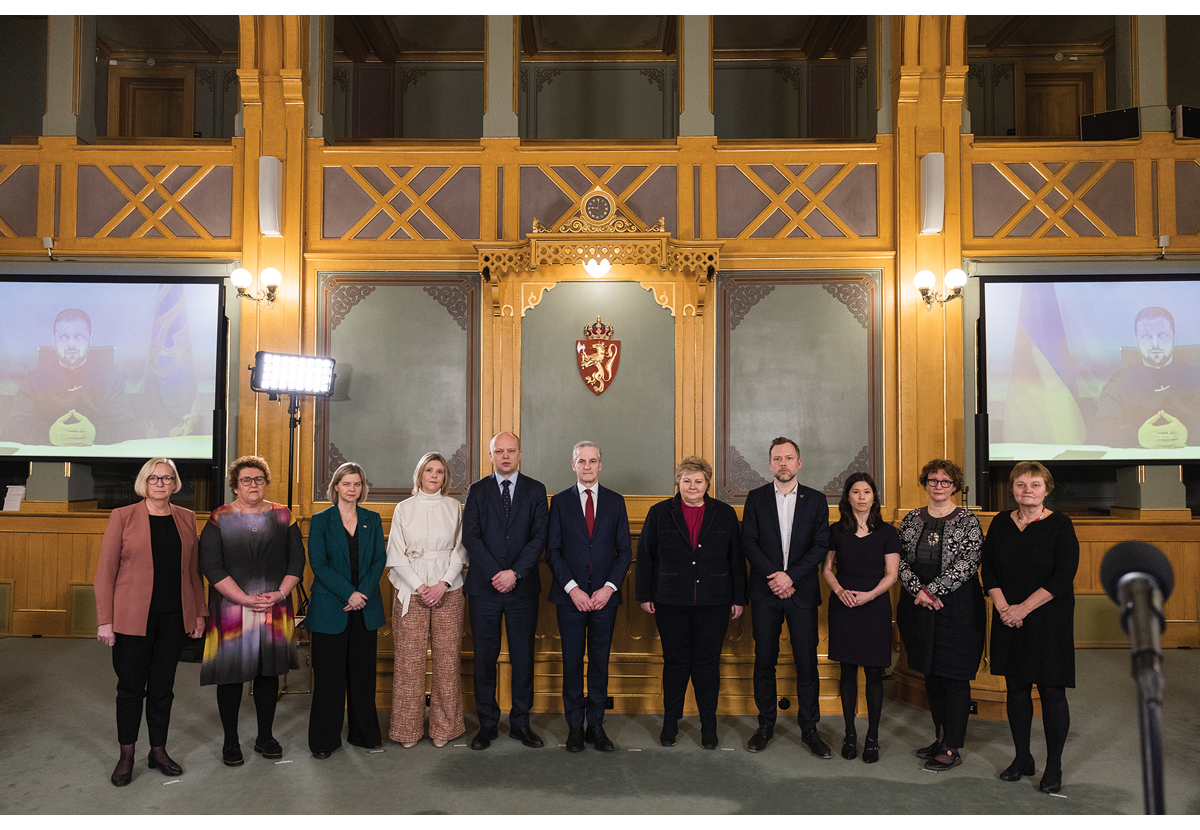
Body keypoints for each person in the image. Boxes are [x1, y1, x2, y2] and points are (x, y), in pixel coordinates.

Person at [93, 457, 207, 786]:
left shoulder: (186, 518)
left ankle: (158, 751)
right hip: (130, 621)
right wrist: (105, 620)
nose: (160, 484)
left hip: (173, 618)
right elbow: (105, 572)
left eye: (167, 478)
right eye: (154, 478)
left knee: (163, 689)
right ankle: (126, 755)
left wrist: (198, 612)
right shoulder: (123, 516)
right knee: (130, 690)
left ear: (175, 484)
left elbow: (193, 572)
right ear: (144, 482)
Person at [199, 455, 305, 766]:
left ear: (266, 482)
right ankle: (230, 742)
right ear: (235, 484)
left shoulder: (284, 516)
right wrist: (244, 599)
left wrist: (280, 594)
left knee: (268, 673)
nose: (253, 485)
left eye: (258, 479)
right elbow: (211, 566)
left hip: (274, 605)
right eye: (246, 480)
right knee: (230, 676)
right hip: (231, 608)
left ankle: (265, 736)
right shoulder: (219, 517)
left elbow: (297, 561)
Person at [982, 461, 1079, 794]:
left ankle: (1054, 766)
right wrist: (1004, 607)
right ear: (1012, 489)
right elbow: (988, 568)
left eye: (1035, 485)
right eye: (1021, 484)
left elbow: (1063, 577)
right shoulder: (999, 523)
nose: (1027, 491)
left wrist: (1022, 608)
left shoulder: (1061, 526)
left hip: (1048, 619)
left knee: (1051, 691)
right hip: (1008, 615)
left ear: (1046, 490)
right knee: (1016, 688)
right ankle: (1022, 758)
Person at [636, 456, 745, 750]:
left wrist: (738, 598)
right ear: (678, 483)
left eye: (698, 481)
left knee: (707, 666)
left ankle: (709, 726)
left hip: (715, 601)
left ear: (707, 484)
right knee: (675, 664)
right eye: (687, 481)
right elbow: (646, 556)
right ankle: (670, 724)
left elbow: (735, 558)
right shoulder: (659, 512)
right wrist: (645, 594)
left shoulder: (724, 513)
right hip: (670, 599)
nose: (692, 487)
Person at [740, 437, 831, 756]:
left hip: (802, 592)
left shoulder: (817, 500)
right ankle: (765, 724)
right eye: (777, 458)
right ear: (769, 465)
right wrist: (776, 577)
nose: (783, 463)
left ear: (799, 463)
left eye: (789, 458)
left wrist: (790, 576)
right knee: (764, 660)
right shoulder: (755, 498)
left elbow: (821, 545)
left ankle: (810, 729)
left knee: (806, 662)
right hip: (765, 593)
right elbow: (748, 542)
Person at [896, 458, 986, 772]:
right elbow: (899, 561)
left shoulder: (968, 520)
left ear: (955, 487)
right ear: (925, 483)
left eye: (945, 482)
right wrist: (917, 590)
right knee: (931, 673)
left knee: (954, 675)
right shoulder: (910, 519)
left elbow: (968, 562)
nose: (938, 486)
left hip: (958, 607)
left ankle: (952, 747)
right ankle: (940, 736)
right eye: (933, 480)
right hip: (917, 606)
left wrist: (932, 590)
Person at [462, 431, 548, 750]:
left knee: (523, 658)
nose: (506, 456)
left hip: (522, 589)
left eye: (511, 451)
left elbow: (539, 537)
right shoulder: (478, 490)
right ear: (491, 456)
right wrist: (496, 573)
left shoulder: (536, 490)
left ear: (520, 454)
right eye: (500, 451)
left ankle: (520, 723)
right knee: (485, 658)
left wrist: (515, 573)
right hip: (484, 589)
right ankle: (487, 724)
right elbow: (471, 537)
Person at [545, 441, 633, 752]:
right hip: (570, 598)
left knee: (599, 662)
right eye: (581, 461)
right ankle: (573, 728)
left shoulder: (615, 501)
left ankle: (595, 726)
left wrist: (608, 588)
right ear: (573, 465)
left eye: (593, 461)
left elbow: (624, 551)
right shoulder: (559, 502)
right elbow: (552, 551)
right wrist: (574, 589)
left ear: (600, 465)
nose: (587, 466)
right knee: (571, 663)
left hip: (604, 600)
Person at [386, 451, 468, 748]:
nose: (435, 476)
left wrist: (443, 584)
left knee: (447, 662)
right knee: (410, 663)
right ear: (419, 474)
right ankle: (407, 729)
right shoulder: (404, 508)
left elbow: (461, 550)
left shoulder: (455, 507)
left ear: (445, 477)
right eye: (429, 470)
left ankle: (445, 728)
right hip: (411, 589)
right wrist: (422, 587)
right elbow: (396, 555)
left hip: (449, 587)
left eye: (440, 472)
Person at [306, 461, 386, 759]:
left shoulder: (372, 519)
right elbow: (318, 565)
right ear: (336, 487)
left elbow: (379, 560)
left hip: (365, 608)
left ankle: (363, 734)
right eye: (346, 484)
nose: (352, 489)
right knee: (329, 678)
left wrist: (361, 593)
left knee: (362, 675)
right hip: (331, 607)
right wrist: (349, 593)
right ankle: (324, 740)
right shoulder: (321, 520)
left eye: (357, 484)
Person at [822, 472, 901, 764]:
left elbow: (892, 574)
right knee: (847, 672)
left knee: (873, 675)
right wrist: (840, 590)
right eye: (856, 492)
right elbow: (827, 569)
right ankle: (850, 734)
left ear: (874, 497)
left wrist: (869, 596)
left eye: (866, 492)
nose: (861, 497)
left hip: (874, 606)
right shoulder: (836, 530)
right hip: (844, 605)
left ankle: (872, 738)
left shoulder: (887, 532)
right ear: (848, 497)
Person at [7, 307, 135, 446]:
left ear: (90, 340)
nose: (71, 344)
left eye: (78, 336)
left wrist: (95, 433)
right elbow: (16, 426)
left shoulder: (110, 378)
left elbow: (127, 426)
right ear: (54, 341)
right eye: (64, 337)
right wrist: (49, 434)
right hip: (47, 461)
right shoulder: (34, 379)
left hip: (99, 461)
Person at [1093, 306, 1200, 448]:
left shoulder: (1196, 378)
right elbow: (1101, 428)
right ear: (1136, 341)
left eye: (1162, 335)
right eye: (1146, 336)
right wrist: (1136, 436)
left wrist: (1188, 433)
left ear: (1175, 337)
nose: (1155, 344)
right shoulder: (1118, 382)